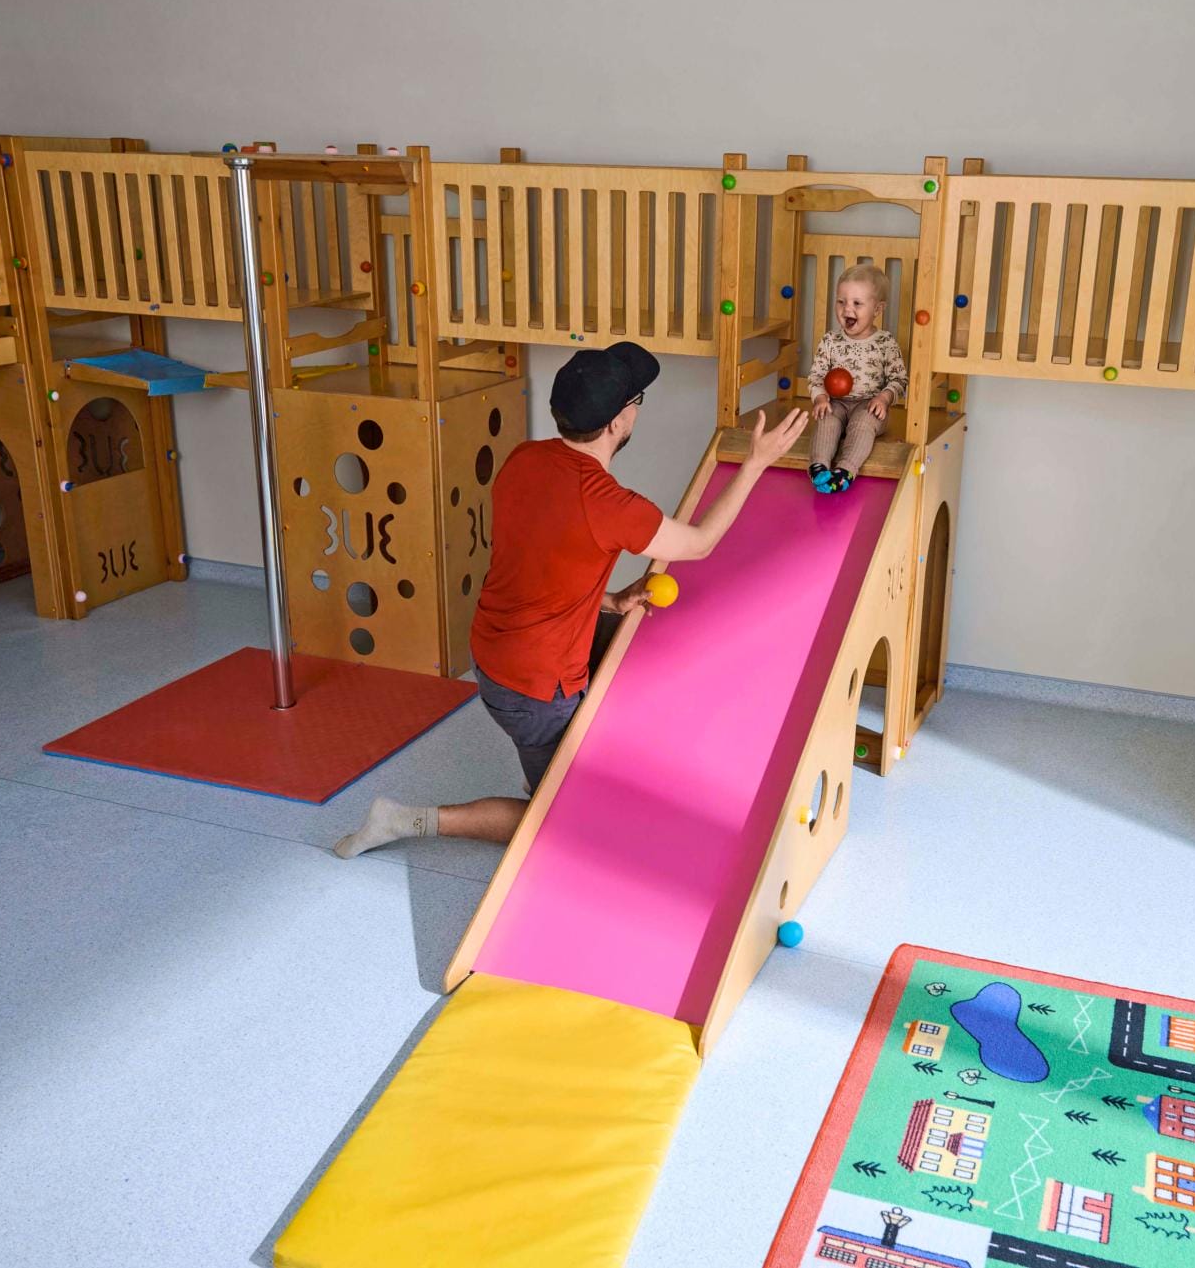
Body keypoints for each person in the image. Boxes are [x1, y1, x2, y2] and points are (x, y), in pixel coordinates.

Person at [335, 341, 809, 858]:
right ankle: (406, 819)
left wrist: (610, 599)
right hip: (535, 688)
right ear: (616, 423)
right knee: (562, 823)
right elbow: (700, 544)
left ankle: (555, 766)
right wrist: (756, 463)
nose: (636, 412)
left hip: (494, 654)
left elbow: (540, 565)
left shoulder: (525, 458)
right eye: (636, 402)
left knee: (629, 643)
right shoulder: (610, 505)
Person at [806, 263, 909, 494]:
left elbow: (899, 379)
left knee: (863, 423)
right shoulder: (830, 341)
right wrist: (820, 398)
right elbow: (817, 374)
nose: (847, 309)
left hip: (869, 405)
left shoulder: (885, 343)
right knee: (826, 418)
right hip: (836, 403)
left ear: (877, 309)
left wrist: (883, 398)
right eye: (841, 302)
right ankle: (818, 466)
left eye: (857, 303)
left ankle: (845, 471)